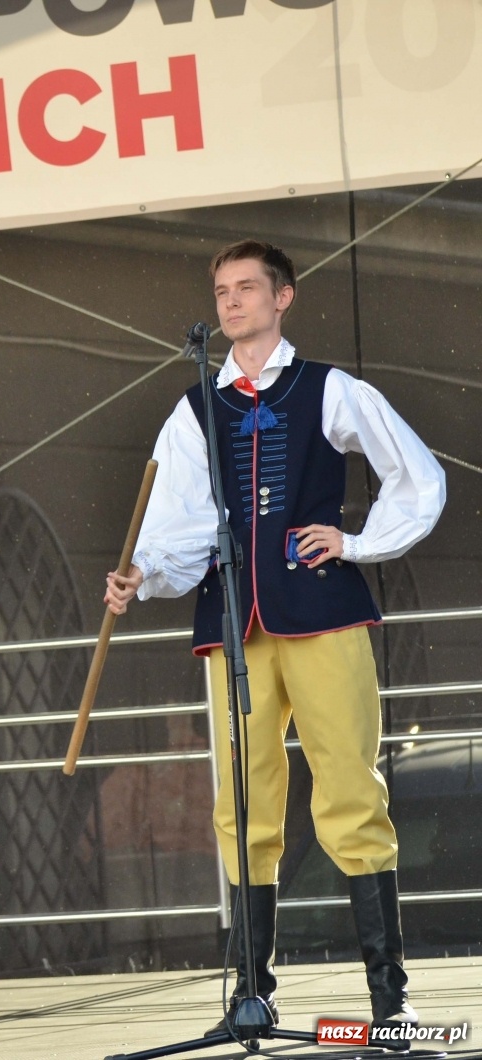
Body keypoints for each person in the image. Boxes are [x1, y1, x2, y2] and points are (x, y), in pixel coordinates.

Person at [104, 240, 445, 1040]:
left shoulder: (330, 389)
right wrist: (143, 575)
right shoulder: (195, 406)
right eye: (221, 291)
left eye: (247, 288)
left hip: (323, 616)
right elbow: (176, 526)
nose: (231, 303)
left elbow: (418, 477)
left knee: (352, 797)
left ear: (283, 298)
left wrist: (355, 542)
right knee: (244, 808)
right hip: (233, 626)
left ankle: (389, 997)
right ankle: (249, 995)